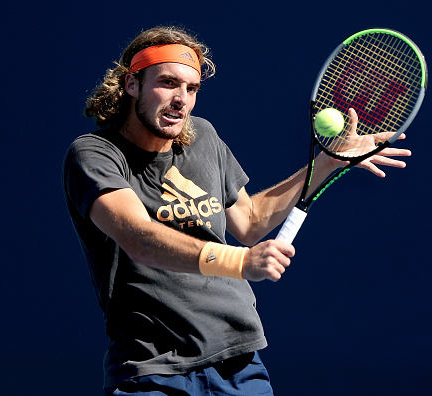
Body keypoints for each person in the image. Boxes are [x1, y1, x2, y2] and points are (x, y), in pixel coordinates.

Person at [62, 26, 411, 395]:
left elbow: (250, 221)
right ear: (132, 85)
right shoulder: (94, 154)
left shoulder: (204, 136)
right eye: (168, 83)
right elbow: (138, 237)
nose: (181, 98)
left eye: (191, 88)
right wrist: (241, 263)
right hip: (151, 369)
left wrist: (326, 163)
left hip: (239, 362)